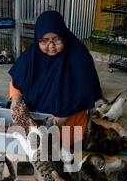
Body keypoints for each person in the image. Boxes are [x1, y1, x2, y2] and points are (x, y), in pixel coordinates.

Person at [8, 10, 103, 146]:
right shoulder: (32, 55)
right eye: (44, 41)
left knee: (60, 154)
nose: (51, 46)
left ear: (64, 35)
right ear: (37, 38)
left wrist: (64, 115)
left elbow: (86, 90)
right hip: (36, 117)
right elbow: (16, 82)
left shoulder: (79, 55)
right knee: (34, 149)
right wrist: (16, 102)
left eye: (56, 39)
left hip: (69, 118)